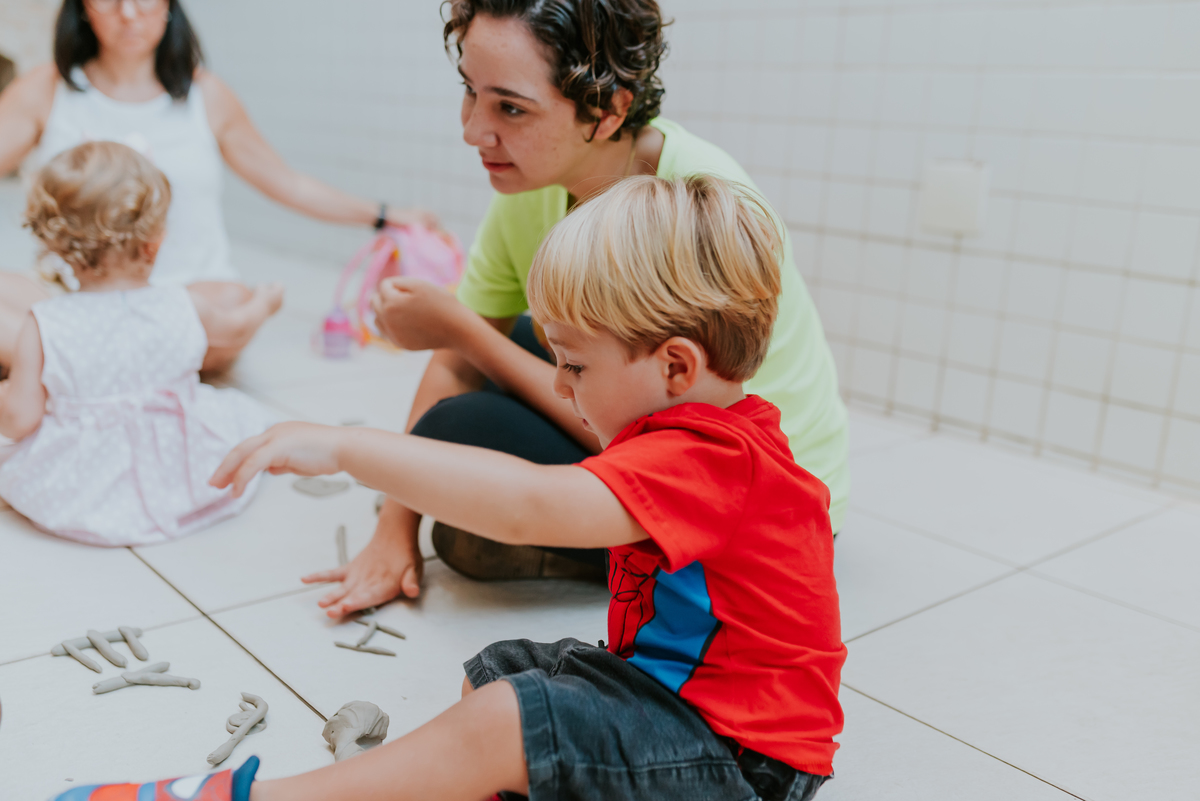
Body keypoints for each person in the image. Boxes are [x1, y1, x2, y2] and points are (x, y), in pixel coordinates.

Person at [56, 174, 845, 801]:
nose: (562, 389)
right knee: (501, 667)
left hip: (743, 763)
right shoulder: (701, 430)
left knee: (515, 716)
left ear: (674, 365)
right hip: (673, 700)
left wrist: (348, 448)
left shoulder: (712, 458)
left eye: (575, 366)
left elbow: (528, 502)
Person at [307, 0, 850, 616]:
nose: (473, 130)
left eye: (510, 107)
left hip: (745, 491)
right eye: (470, 92)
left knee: (461, 430)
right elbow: (464, 356)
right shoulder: (536, 176)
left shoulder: (693, 206)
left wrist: (461, 331)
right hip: (656, 419)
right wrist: (393, 530)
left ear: (610, 107)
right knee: (509, 347)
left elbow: (687, 440)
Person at [0, 0, 432, 374]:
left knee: (229, 304)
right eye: (109, 0)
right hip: (69, 296)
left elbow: (287, 183)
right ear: (82, 9)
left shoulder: (206, 96)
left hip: (181, 296)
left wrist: (384, 214)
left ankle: (64, 360)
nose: (128, 14)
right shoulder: (46, 89)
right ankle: (115, 361)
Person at [0, 141, 274, 546]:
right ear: (153, 243)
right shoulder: (185, 304)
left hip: (85, 488)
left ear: (58, 245)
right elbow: (235, 328)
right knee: (235, 413)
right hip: (181, 469)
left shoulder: (46, 324)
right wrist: (266, 302)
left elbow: (19, 418)